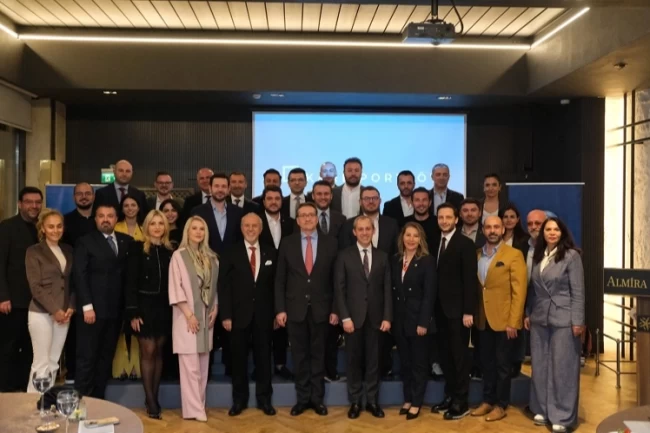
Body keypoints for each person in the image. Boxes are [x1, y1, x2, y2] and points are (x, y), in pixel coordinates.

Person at [275, 202, 339, 416]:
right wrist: (280, 309)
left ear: (317, 218)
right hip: (295, 309)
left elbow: (336, 280)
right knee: (300, 357)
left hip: (323, 309)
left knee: (319, 356)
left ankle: (317, 399)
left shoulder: (331, 243)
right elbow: (280, 279)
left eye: (311, 215)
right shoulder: (287, 243)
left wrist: (336, 309)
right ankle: (302, 399)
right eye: (303, 215)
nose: (308, 219)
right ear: (298, 220)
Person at [526, 217, 584, 433]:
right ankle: (542, 408)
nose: (552, 233)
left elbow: (578, 291)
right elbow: (533, 289)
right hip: (540, 317)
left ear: (562, 233)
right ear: (543, 233)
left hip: (564, 318)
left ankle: (562, 415)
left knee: (563, 367)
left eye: (556, 229)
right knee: (540, 365)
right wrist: (529, 313)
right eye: (548, 229)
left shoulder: (571, 256)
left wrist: (578, 321)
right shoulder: (538, 255)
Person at [219, 213, 277, 417]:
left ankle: (264, 400)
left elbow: (275, 286)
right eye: (247, 226)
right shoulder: (230, 252)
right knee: (238, 360)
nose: (251, 229)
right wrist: (226, 315)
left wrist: (276, 314)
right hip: (237, 316)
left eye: (254, 226)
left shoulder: (271, 252)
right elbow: (223, 286)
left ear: (261, 229)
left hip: (264, 315)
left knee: (264, 360)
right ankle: (239, 401)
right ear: (241, 228)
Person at [334, 216, 392, 419]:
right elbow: (339, 289)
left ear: (373, 231)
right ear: (354, 232)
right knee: (353, 361)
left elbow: (387, 289)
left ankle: (373, 401)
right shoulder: (344, 256)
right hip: (353, 319)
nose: (365, 232)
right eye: (361, 229)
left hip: (376, 319)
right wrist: (345, 317)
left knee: (374, 362)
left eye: (368, 229)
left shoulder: (383, 256)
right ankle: (356, 401)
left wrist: (387, 316)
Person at [471, 216, 527, 422]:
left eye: (496, 227)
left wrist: (514, 321)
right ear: (483, 230)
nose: (492, 230)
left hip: (504, 321)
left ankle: (501, 405)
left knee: (503, 365)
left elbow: (519, 292)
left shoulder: (514, 255)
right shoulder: (477, 255)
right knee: (486, 363)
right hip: (482, 320)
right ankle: (488, 400)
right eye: (488, 227)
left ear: (503, 229)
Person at [74, 203, 132, 399]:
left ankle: (98, 402)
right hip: (92, 312)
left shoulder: (126, 241)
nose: (106, 219)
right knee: (87, 358)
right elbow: (79, 275)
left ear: (116, 219)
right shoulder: (85, 242)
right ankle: (81, 404)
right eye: (101, 216)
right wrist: (87, 306)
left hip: (115, 312)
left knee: (106, 359)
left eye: (110, 216)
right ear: (95, 219)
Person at [125, 210, 174, 419]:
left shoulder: (171, 250)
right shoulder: (136, 248)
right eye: (153, 223)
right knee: (148, 349)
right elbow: (129, 282)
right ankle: (151, 401)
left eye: (160, 223)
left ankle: (153, 396)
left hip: (165, 306)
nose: (157, 227)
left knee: (159, 351)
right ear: (146, 226)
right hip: (143, 306)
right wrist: (133, 313)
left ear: (165, 227)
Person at [169, 216, 219, 422]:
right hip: (186, 317)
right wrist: (189, 315)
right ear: (187, 232)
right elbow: (176, 287)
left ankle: (199, 405)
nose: (198, 232)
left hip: (207, 318)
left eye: (202, 229)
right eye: (194, 228)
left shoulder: (212, 258)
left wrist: (215, 308)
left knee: (203, 366)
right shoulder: (178, 256)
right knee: (190, 368)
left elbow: (214, 287)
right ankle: (194, 410)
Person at [431, 203, 477, 420]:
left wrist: (468, 311)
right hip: (439, 311)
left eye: (448, 217)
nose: (444, 221)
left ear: (456, 220)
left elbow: (470, 280)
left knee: (459, 358)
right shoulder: (434, 242)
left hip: (459, 313)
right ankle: (450, 396)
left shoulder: (465, 244)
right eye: (441, 217)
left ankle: (462, 401)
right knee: (445, 357)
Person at [25, 209, 74, 392]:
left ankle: (47, 402)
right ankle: (32, 404)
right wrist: (55, 310)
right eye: (51, 226)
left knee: (53, 362)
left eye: (59, 226)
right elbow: (35, 287)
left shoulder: (68, 250)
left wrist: (70, 307)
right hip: (41, 313)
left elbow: (72, 282)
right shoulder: (34, 252)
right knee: (41, 363)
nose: (55, 230)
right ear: (43, 229)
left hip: (64, 314)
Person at [392, 222, 436, 420]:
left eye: (415, 236)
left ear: (421, 240)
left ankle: (417, 402)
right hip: (400, 320)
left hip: (418, 320)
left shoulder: (427, 261)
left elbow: (429, 295)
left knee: (419, 364)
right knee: (405, 363)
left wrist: (423, 322)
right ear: (402, 237)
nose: (411, 239)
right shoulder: (396, 259)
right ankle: (408, 399)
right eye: (408, 235)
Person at [0, 186, 42, 392]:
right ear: (20, 204)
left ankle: (24, 390)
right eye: (29, 202)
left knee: (30, 349)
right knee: (8, 348)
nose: (34, 206)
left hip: (38, 302)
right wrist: (2, 296)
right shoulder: (6, 227)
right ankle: (5, 391)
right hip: (12, 301)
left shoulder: (43, 228)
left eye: (37, 202)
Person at [258, 186, 294, 380]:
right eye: (269, 198)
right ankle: (262, 366)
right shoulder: (255, 222)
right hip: (261, 281)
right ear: (263, 201)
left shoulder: (291, 223)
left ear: (282, 201)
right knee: (263, 325)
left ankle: (280, 364)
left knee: (282, 323)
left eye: (277, 198)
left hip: (287, 281)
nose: (273, 202)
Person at [62, 182, 96, 384]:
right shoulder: (65, 222)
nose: (84, 197)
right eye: (80, 194)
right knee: (74, 333)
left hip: (98, 284)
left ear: (93, 196)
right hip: (72, 284)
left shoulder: (100, 219)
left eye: (87, 193)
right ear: (74, 197)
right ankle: (72, 375)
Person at [113, 194, 144, 381]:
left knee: (137, 325)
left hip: (138, 284)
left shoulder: (145, 229)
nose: (130, 208)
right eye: (126, 205)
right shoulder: (115, 227)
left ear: (139, 208)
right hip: (117, 282)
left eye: (133, 205)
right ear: (122, 208)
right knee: (120, 327)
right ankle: (121, 367)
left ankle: (135, 368)